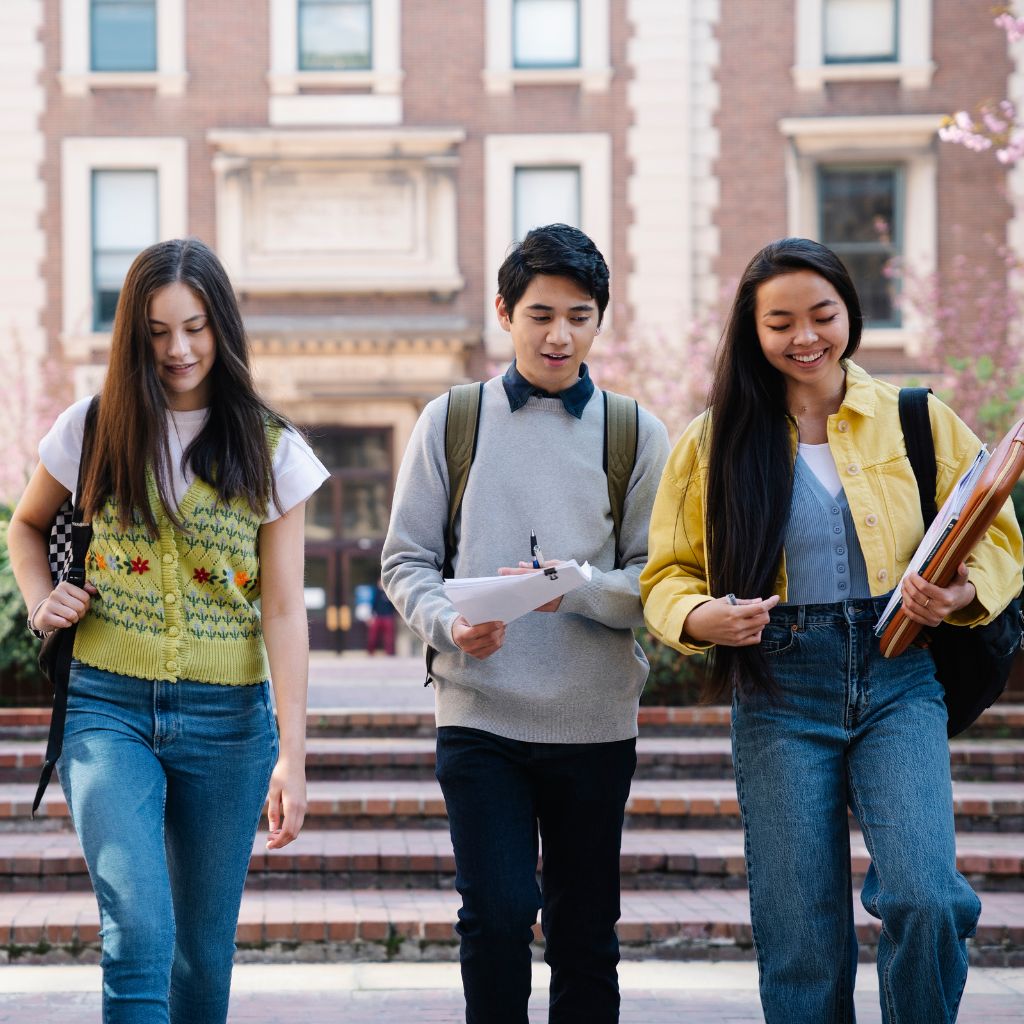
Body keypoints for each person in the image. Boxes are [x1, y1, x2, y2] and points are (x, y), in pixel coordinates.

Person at [640, 237, 1024, 1023]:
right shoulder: (713, 441)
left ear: (851, 310)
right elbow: (666, 574)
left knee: (926, 897)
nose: (805, 336)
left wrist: (956, 595)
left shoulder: (916, 418)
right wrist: (699, 616)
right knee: (802, 941)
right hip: (778, 686)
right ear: (753, 332)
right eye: (780, 322)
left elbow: (1001, 539)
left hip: (899, 676)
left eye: (822, 314)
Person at [6, 237, 329, 1024]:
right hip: (107, 709)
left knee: (202, 955)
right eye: (156, 331)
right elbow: (25, 526)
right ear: (133, 335)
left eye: (195, 327)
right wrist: (41, 600)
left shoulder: (272, 448)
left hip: (229, 725)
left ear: (222, 326)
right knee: (140, 933)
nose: (178, 349)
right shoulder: (92, 427)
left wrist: (294, 750)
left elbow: (285, 610)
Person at [382, 223, 669, 1024]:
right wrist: (449, 623)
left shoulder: (634, 432)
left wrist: (571, 589)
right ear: (505, 312)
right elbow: (404, 561)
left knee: (585, 933)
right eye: (540, 313)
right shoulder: (451, 421)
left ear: (599, 321)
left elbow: (660, 580)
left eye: (579, 315)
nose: (559, 334)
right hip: (481, 715)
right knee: (499, 915)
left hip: (595, 721)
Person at [366, 577, 396, 655]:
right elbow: (373, 605)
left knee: (389, 637)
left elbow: (394, 606)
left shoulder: (389, 593)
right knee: (373, 636)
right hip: (377, 617)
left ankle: (389, 653)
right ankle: (370, 652)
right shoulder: (376, 593)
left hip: (388, 617)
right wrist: (371, 616)